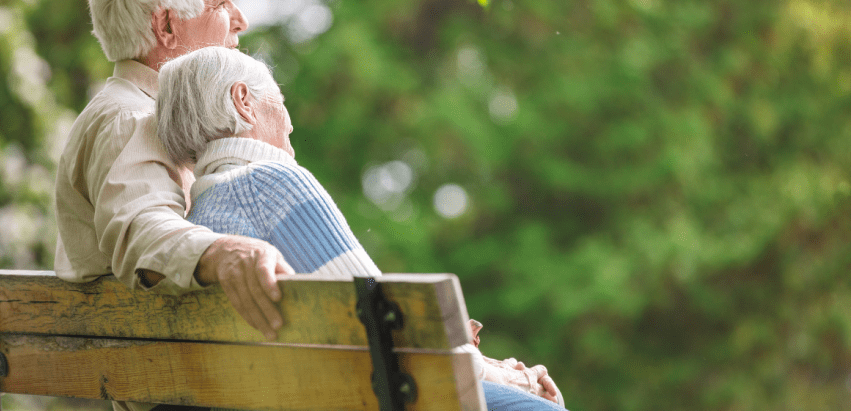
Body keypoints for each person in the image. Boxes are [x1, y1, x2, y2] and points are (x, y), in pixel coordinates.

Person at [155, 46, 568, 411]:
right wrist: (512, 377)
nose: (290, 124)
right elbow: (390, 327)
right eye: (279, 101)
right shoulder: (271, 183)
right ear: (243, 101)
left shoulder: (198, 216)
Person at [53, 0, 294, 411]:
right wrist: (225, 251)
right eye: (222, 2)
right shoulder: (131, 118)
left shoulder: (149, 116)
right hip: (182, 393)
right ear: (166, 26)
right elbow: (141, 229)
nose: (241, 20)